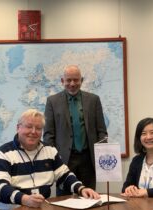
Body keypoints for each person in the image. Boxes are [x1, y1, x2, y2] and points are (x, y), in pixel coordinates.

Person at [0, 109, 100, 210]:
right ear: (18, 128)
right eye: (29, 127)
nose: (33, 132)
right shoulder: (3, 154)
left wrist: (81, 188)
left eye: (38, 128)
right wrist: (24, 199)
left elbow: (64, 176)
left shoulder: (50, 151)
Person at [43, 65, 108, 195]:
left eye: (76, 80)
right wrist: (54, 158)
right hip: (64, 161)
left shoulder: (94, 100)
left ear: (81, 80)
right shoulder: (52, 101)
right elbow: (48, 134)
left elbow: (101, 131)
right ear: (62, 81)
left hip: (88, 160)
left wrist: (101, 155)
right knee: (63, 200)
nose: (72, 84)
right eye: (68, 80)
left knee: (89, 197)